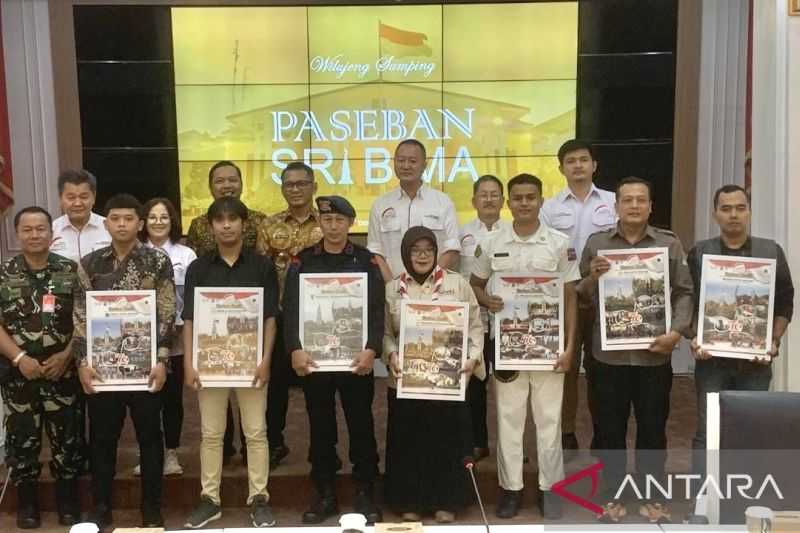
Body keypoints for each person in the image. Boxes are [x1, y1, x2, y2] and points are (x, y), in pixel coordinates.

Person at [577, 177, 693, 523]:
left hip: (653, 354)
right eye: (627, 200)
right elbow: (580, 294)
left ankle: (652, 497)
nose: (634, 206)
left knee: (653, 429)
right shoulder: (598, 244)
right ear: (616, 207)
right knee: (608, 430)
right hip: (607, 356)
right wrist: (593, 279)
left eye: (641, 200)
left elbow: (684, 291)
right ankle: (612, 497)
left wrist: (676, 333)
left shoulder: (668, 244)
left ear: (650, 206)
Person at [470, 173, 578, 520]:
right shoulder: (491, 242)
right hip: (507, 347)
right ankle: (510, 489)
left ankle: (550, 489)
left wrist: (570, 346)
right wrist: (488, 301)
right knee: (509, 419)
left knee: (549, 420)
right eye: (517, 198)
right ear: (508, 202)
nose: (524, 203)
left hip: (549, 347)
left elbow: (570, 296)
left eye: (531, 197)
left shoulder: (559, 243)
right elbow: (475, 284)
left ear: (541, 200)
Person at [72, 194, 176, 528]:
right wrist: (82, 362)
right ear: (106, 223)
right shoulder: (89, 264)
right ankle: (101, 505)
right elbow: (80, 317)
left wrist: (161, 360)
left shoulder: (157, 262)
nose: (121, 224)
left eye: (129, 218)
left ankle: (151, 506)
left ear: (140, 223)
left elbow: (166, 313)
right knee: (102, 439)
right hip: (102, 369)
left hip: (146, 368)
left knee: (150, 437)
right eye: (115, 218)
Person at [282, 196, 383, 524]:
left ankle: (366, 492)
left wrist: (372, 348)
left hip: (357, 360)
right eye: (327, 220)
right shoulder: (303, 261)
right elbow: (291, 309)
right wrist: (294, 347)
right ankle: (324, 492)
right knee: (321, 427)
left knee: (361, 425)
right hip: (316, 362)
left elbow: (377, 310)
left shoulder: (366, 261)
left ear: (351, 224)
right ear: (320, 223)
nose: (334, 226)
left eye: (340, 220)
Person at [182, 197, 278, 529]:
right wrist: (189, 363)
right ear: (210, 227)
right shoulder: (198, 268)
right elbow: (190, 320)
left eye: (232, 219)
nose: (226, 225)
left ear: (243, 224)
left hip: (252, 363)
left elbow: (269, 318)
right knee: (211, 434)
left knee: (256, 432)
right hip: (209, 364)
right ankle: (210, 499)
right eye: (219, 220)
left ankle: (259, 498)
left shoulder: (261, 266)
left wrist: (266, 359)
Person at [688, 184, 794, 468]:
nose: (733, 214)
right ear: (715, 215)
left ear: (748, 212)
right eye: (726, 209)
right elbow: (689, 303)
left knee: (753, 431)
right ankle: (703, 504)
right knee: (707, 431)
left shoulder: (770, 251)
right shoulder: (699, 253)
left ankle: (746, 501)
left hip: (755, 362)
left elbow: (785, 302)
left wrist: (772, 340)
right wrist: (696, 336)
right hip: (711, 361)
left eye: (740, 208)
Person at [383, 226, 484, 524]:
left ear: (437, 252)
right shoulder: (392, 289)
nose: (422, 255)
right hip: (406, 380)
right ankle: (409, 502)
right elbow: (386, 334)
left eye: (428, 249)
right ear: (405, 254)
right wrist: (391, 354)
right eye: (415, 250)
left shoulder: (457, 285)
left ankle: (446, 501)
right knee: (408, 441)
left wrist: (471, 358)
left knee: (446, 440)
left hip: (447, 381)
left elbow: (476, 326)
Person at [0, 207, 82, 528]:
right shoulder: (4, 272)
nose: (35, 235)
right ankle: (28, 506)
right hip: (20, 374)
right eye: (27, 230)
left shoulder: (70, 271)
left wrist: (67, 355)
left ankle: (68, 504)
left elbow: (87, 318)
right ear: (17, 234)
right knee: (22, 443)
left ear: (52, 233)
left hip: (62, 371)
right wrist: (20, 359)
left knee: (68, 442)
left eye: (40, 229)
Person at [540, 139, 617, 457]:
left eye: (583, 160)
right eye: (570, 161)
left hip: (605, 297)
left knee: (602, 371)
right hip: (564, 297)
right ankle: (567, 432)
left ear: (594, 165)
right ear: (561, 168)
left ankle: (603, 431)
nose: (577, 166)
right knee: (566, 369)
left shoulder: (614, 202)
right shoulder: (550, 207)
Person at [186, 160, 266, 464]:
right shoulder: (197, 226)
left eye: (233, 179)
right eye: (220, 180)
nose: (227, 185)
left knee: (256, 424)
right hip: (212, 323)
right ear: (210, 187)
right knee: (214, 422)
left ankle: (252, 462)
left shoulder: (260, 221)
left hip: (251, 318)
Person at [256, 161, 322, 469]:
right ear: (282, 189)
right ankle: (274, 442)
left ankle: (322, 448)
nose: (295, 189)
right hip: (280, 317)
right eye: (289, 185)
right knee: (276, 387)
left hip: (318, 319)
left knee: (317, 388)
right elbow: (261, 274)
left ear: (314, 187)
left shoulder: (327, 222)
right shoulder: (269, 226)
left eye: (302, 184)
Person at [135, 198, 197, 477]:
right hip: (142, 341)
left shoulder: (186, 255)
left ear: (172, 221)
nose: (158, 222)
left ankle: (171, 453)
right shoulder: (134, 254)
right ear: (143, 222)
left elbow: (193, 297)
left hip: (177, 338)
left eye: (164, 217)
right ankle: (147, 454)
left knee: (172, 399)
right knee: (145, 400)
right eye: (152, 217)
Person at [458, 174, 510, 462]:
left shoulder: (515, 232)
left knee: (507, 386)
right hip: (474, 321)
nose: (489, 199)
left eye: (494, 194)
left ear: (503, 200)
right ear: (473, 200)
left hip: (507, 322)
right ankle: (477, 442)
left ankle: (509, 446)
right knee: (474, 385)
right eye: (483, 194)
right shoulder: (462, 234)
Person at [367, 139, 461, 282]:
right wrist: (392, 287)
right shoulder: (380, 205)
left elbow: (452, 248)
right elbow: (375, 252)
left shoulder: (443, 202)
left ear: (424, 165)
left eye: (412, 161)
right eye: (401, 160)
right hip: (393, 290)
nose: (406, 166)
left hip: (436, 289)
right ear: (394, 163)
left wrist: (430, 283)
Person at [50, 169, 112, 263]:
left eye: (84, 197)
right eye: (71, 198)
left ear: (94, 197)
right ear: (60, 198)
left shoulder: (110, 227)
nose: (78, 203)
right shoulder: (51, 230)